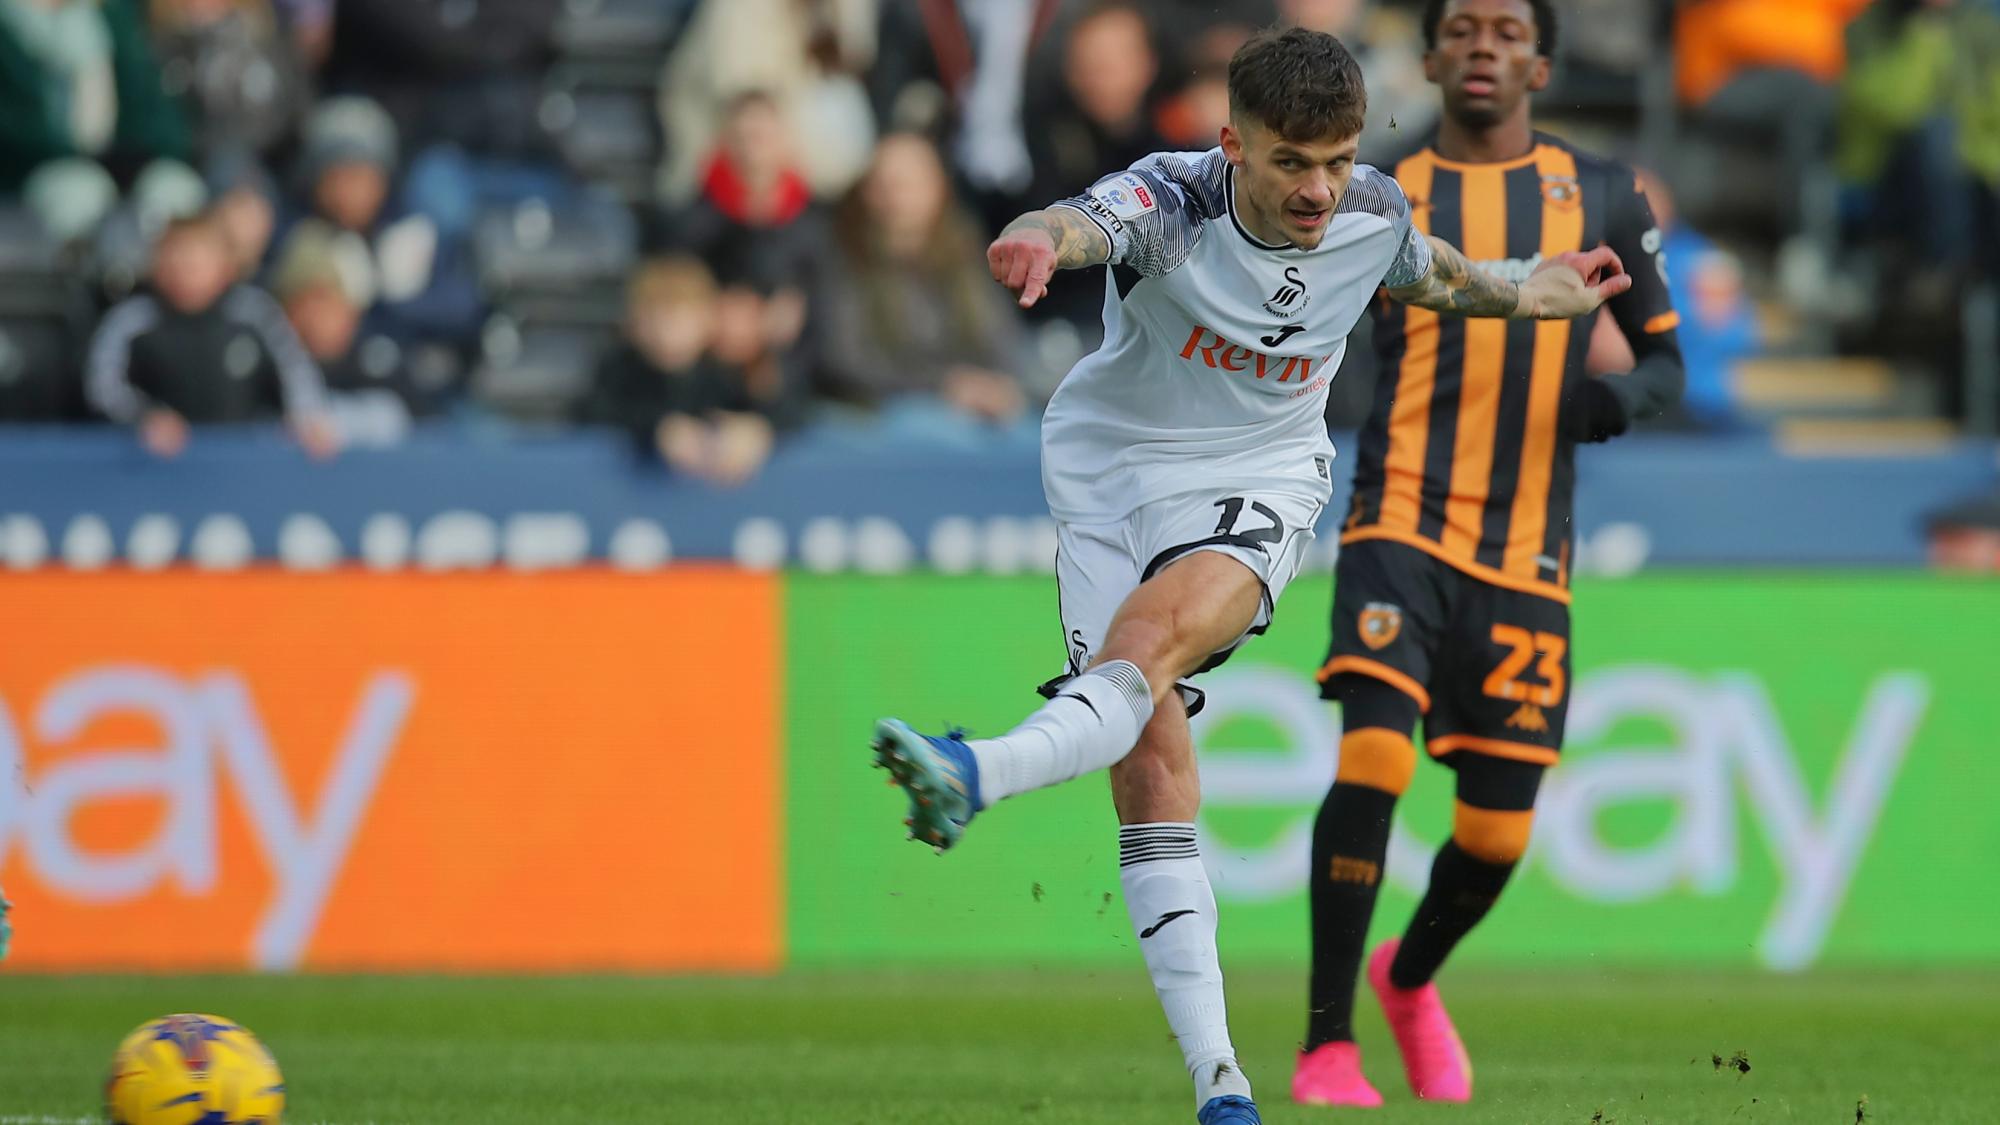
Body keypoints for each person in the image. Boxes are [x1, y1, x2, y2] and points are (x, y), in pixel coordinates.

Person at [867, 26, 1629, 1125]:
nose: (1318, 190)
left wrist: (1532, 290)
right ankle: (1219, 1079)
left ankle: (974, 770)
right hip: (1108, 473)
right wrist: (1035, 238)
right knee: (1148, 764)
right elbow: (1081, 223)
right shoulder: (1174, 200)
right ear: (1233, 145)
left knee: (1146, 648)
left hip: (1259, 475)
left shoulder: (1370, 212)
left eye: (1337, 160)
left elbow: (1435, 276)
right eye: (1290, 163)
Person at [1294, 0, 1684, 1108]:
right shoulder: (1378, 193)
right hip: (1399, 518)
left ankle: (1407, 981)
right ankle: (1327, 1045)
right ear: (1427, 56)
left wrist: (1612, 403)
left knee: (1498, 835)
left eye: (1508, 31)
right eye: (1461, 27)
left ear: (1542, 64)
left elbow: (1666, 365)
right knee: (1373, 757)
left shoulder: (1602, 191)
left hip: (1525, 549)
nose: (1482, 46)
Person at [86, 213, 337, 458]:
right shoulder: (133, 319)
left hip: (240, 462)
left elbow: (293, 367)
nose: (184, 271)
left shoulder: (254, 313)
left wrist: (308, 417)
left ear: (225, 265)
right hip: (157, 465)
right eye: (175, 258)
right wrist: (144, 417)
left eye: (195, 261)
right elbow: (103, 386)